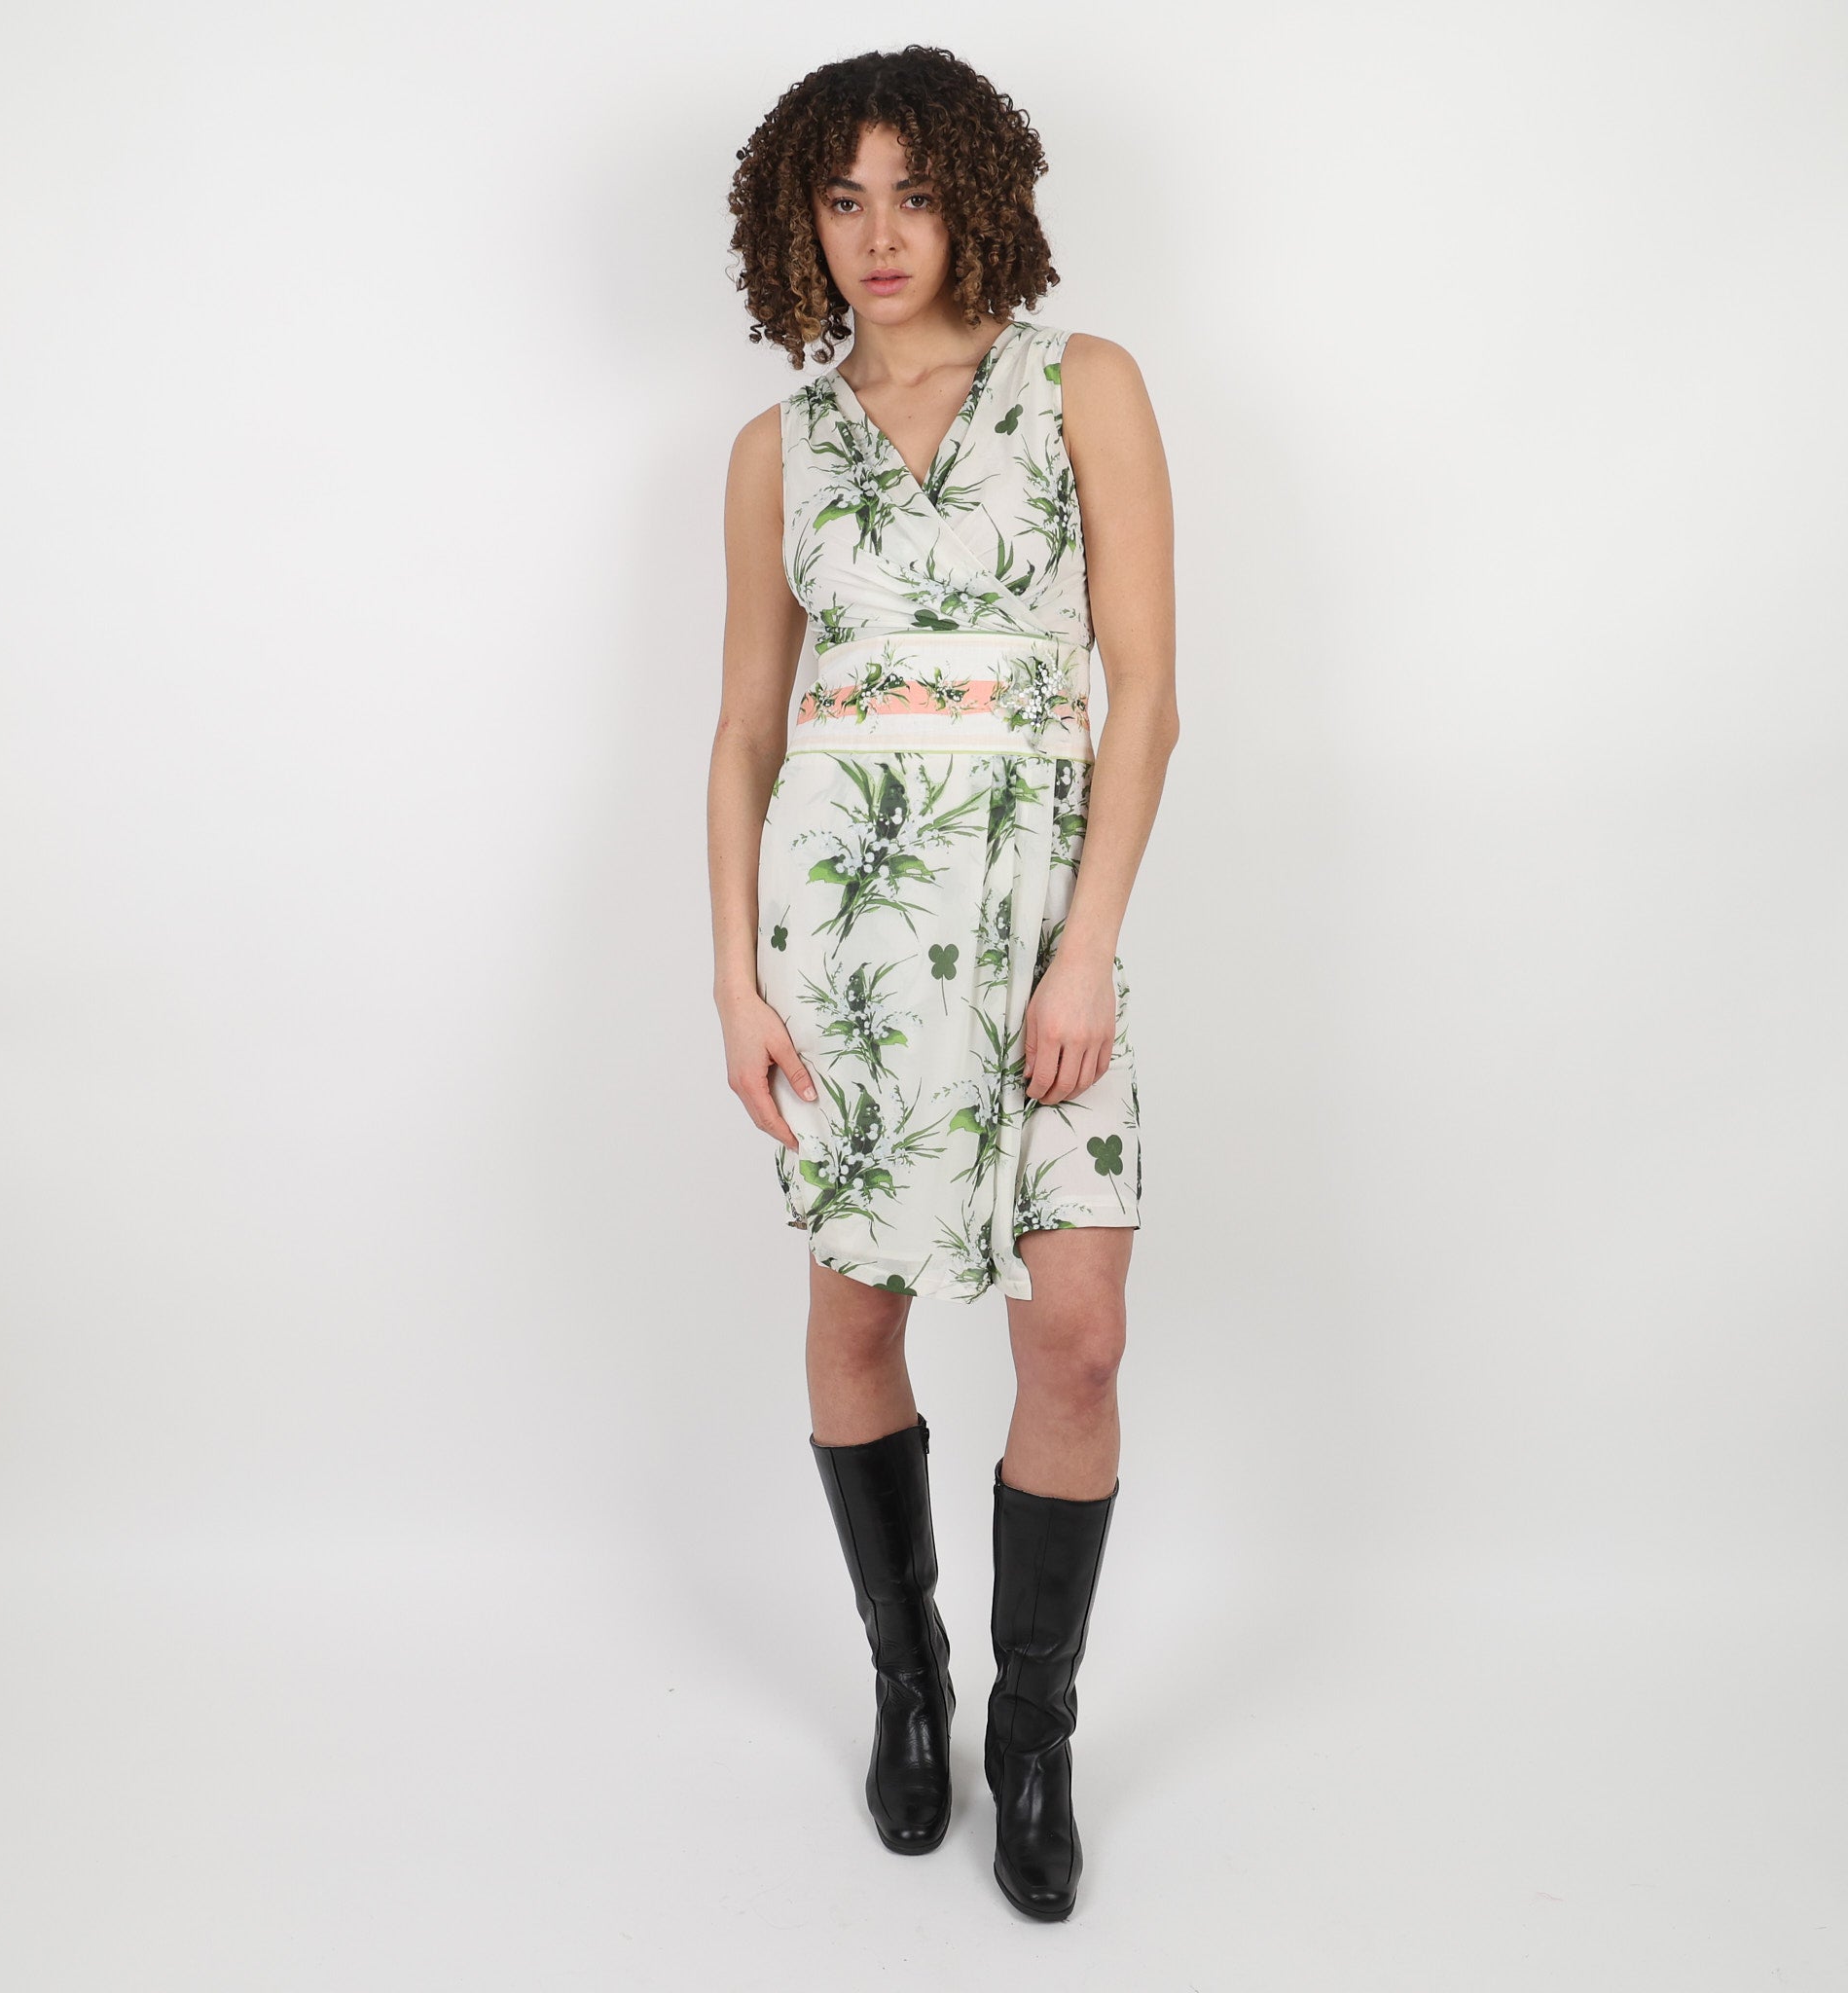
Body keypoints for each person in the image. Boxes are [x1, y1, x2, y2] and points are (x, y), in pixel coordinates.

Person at [707, 46, 1178, 1921]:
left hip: (1045, 915)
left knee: (1078, 1334)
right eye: (843, 199)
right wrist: (735, 981)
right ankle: (912, 1686)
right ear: (798, 223)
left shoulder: (1085, 385)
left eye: (912, 191)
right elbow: (747, 732)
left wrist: (1088, 949)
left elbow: (1147, 692)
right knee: (857, 1325)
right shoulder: (777, 448)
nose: (880, 234)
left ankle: (1033, 1728)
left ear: (975, 192)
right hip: (848, 934)